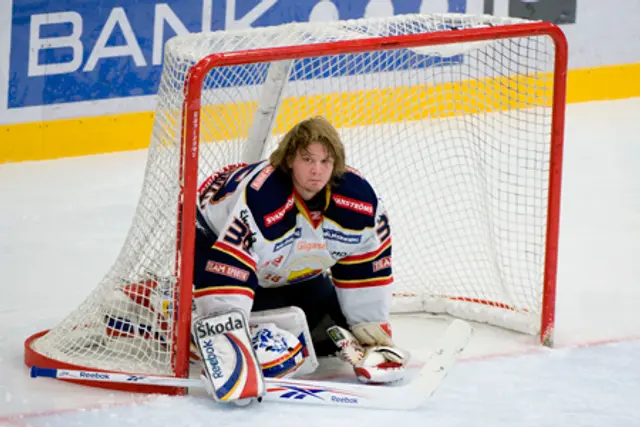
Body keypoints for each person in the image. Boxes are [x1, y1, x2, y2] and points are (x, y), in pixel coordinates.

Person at [191, 116, 407, 402]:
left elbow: (367, 258)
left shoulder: (359, 200)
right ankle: (184, 316)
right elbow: (228, 266)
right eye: (307, 159)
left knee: (327, 331)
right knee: (267, 345)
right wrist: (228, 343)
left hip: (279, 263)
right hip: (208, 241)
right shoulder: (262, 199)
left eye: (325, 162)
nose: (317, 171)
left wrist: (369, 327)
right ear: (291, 158)